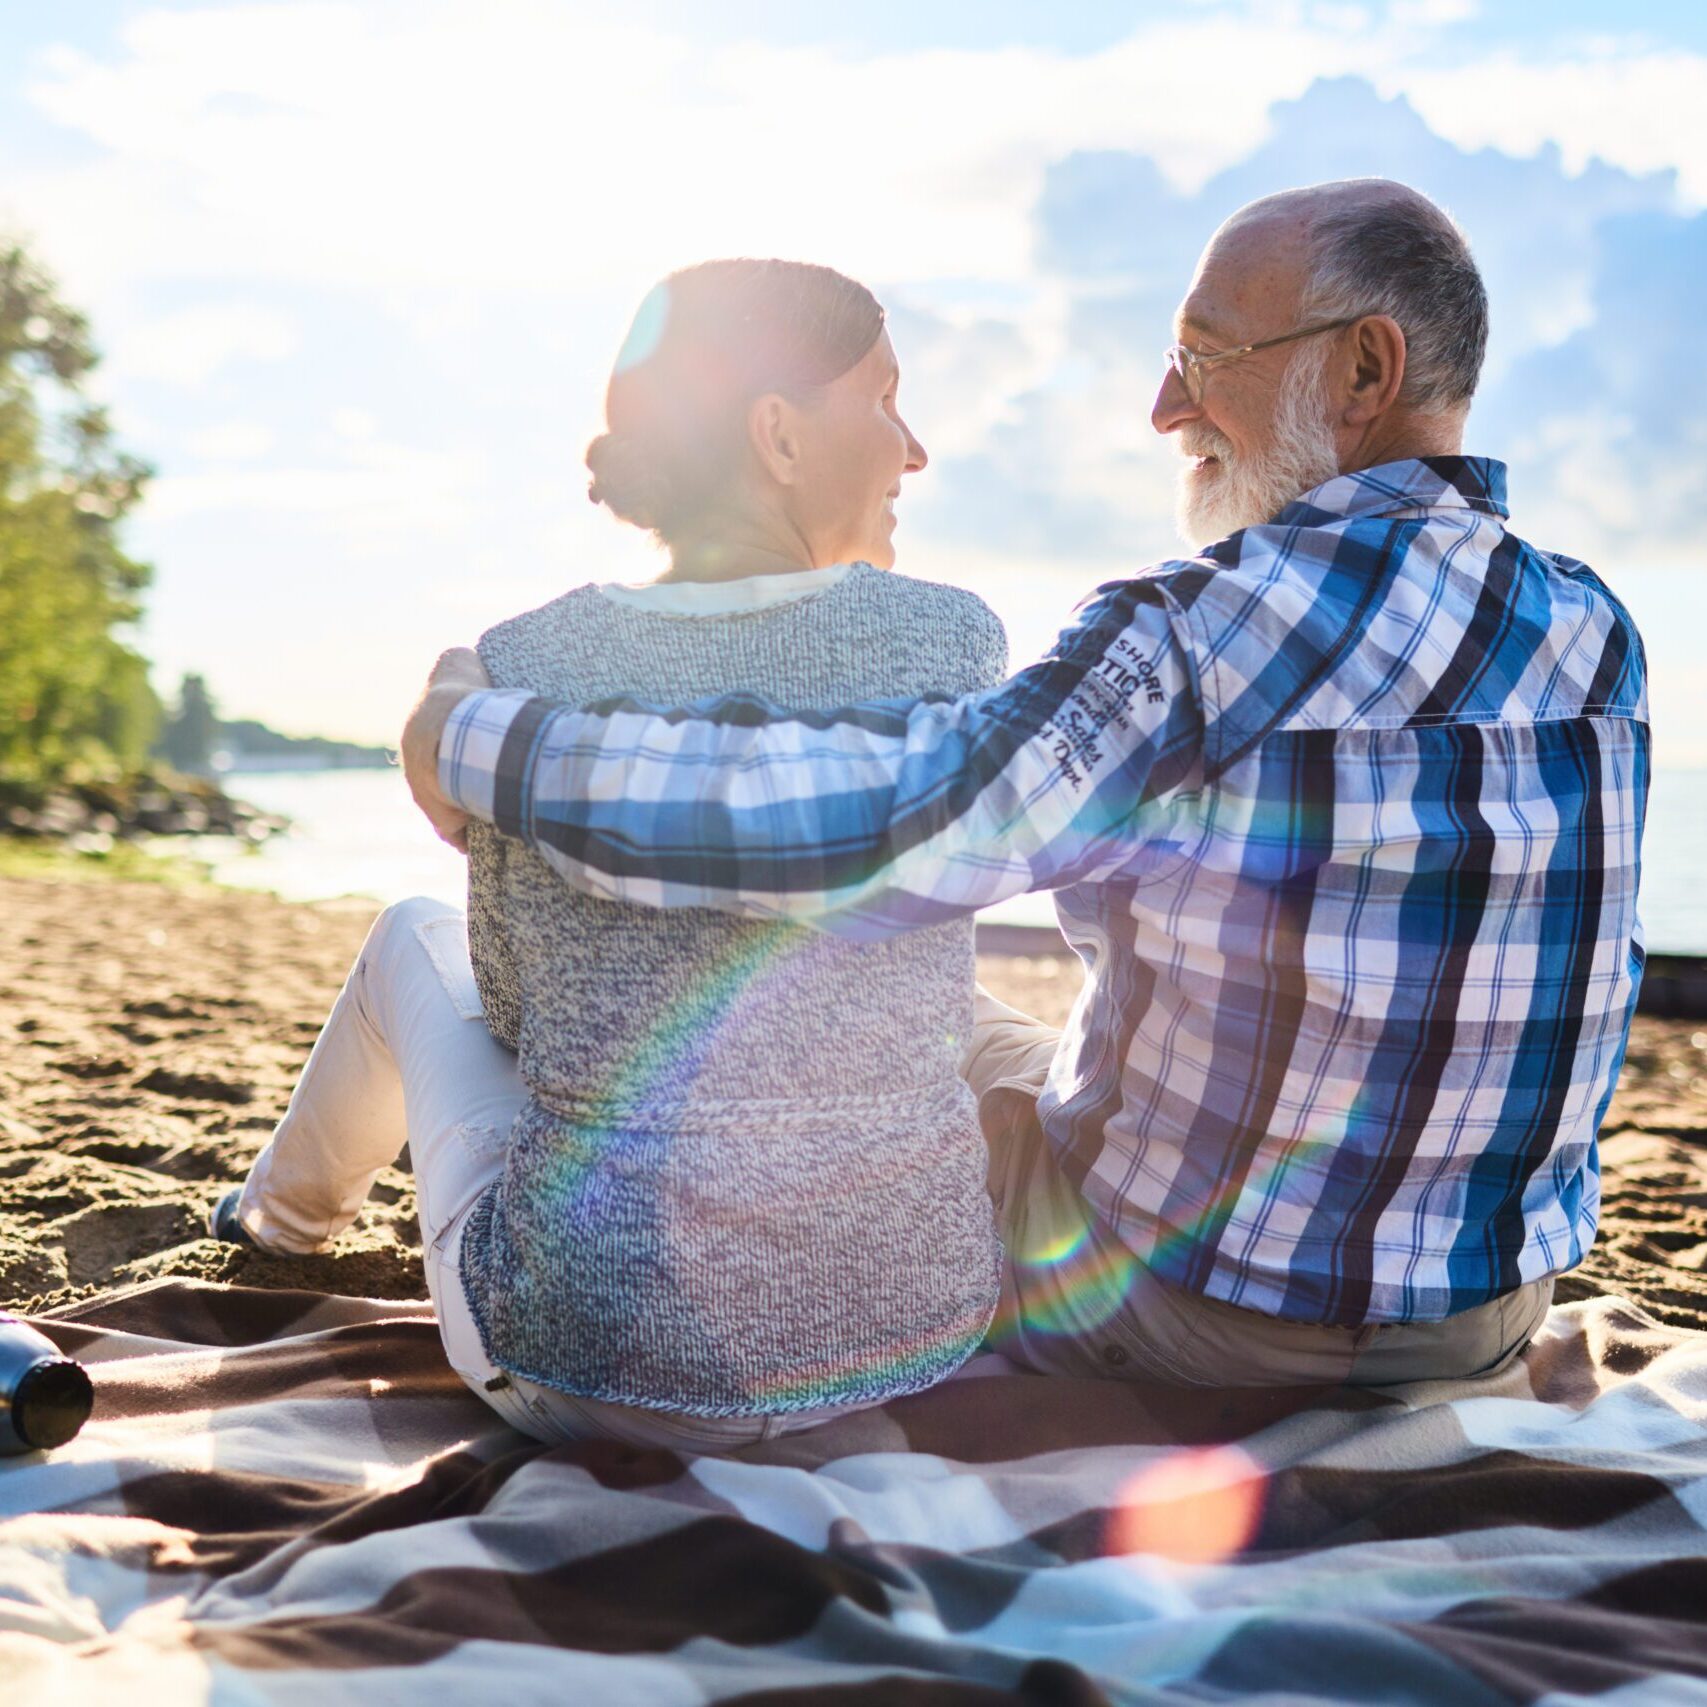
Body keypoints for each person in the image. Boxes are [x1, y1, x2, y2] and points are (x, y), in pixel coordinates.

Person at [404, 179, 1650, 1391]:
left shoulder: (1198, 637)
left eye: (1206, 356)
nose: (1168, 407)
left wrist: (485, 742)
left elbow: (871, 830)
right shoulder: (1598, 631)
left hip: (1199, 1317)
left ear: (1366, 371)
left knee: (872, 1041)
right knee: (964, 1031)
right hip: (1488, 1313)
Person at [215, 259, 1009, 1450]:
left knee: (410, 941)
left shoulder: (528, 662)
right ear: (778, 436)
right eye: (886, 399)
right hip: (905, 1341)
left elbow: (523, 1017)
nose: (915, 448)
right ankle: (273, 1218)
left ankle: (274, 1225)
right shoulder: (955, 639)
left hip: (587, 1367)